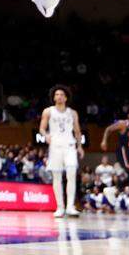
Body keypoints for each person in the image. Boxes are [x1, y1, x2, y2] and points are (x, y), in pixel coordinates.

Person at [40, 85, 83, 218]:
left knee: (71, 174)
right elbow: (42, 128)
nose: (59, 96)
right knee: (57, 177)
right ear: (54, 97)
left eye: (62, 94)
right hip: (55, 146)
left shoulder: (73, 113)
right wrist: (45, 135)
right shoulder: (48, 111)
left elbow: (77, 131)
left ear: (66, 98)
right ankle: (60, 207)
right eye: (57, 94)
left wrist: (80, 146)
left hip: (69, 145)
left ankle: (70, 206)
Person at [101, 109, 129, 194]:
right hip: (123, 150)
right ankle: (117, 188)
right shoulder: (123, 124)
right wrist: (104, 141)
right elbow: (108, 129)